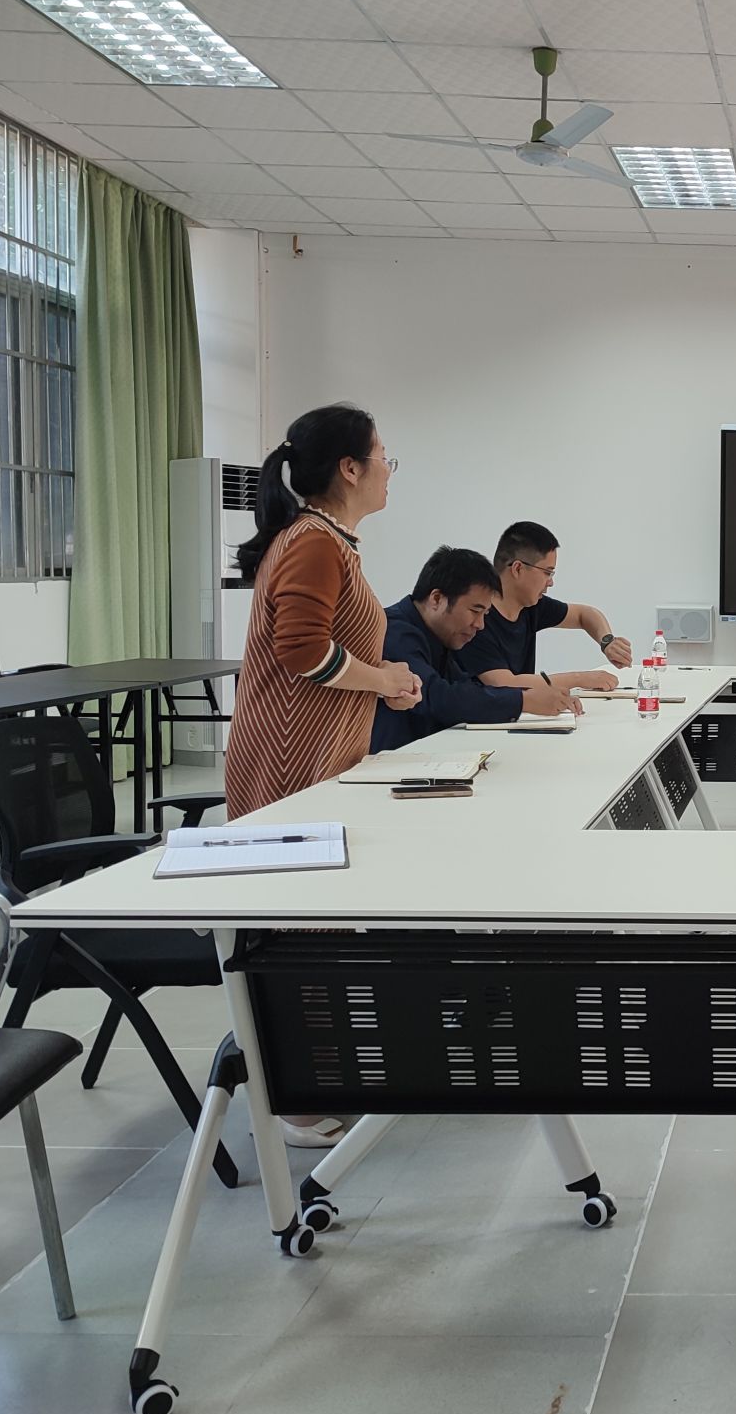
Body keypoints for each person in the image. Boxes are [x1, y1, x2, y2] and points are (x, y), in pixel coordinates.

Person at [224, 402, 420, 1150]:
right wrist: (381, 678)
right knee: (299, 926)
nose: (388, 471)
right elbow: (303, 651)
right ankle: (294, 1101)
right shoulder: (312, 542)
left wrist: (383, 680)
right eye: (383, 457)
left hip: (318, 758)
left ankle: (320, 1073)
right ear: (350, 468)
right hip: (286, 762)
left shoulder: (330, 541)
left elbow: (326, 649)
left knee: (321, 921)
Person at [371, 547, 584, 753]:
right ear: (436, 599)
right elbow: (437, 697)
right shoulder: (393, 631)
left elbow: (467, 688)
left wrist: (529, 696)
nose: (480, 625)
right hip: (384, 765)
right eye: (475, 611)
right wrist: (524, 701)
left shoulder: (441, 635)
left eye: (485, 614)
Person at [458, 521, 632, 711]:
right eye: (547, 572)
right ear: (517, 569)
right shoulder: (477, 620)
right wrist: (580, 678)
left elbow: (585, 614)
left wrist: (607, 641)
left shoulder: (532, 606)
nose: (550, 582)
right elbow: (504, 684)